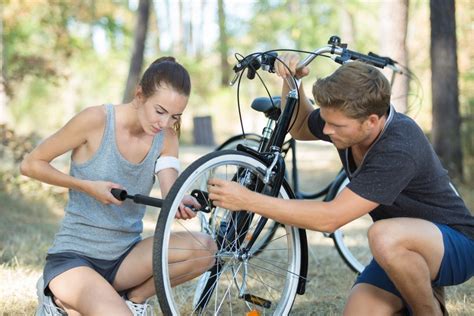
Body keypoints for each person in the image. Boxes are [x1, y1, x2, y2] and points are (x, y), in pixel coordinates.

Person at [207, 53, 474, 315]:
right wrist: (292, 81)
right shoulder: (346, 121)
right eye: (326, 121)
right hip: (399, 248)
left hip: (454, 244)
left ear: (371, 121)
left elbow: (330, 218)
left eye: (336, 126)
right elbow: (300, 128)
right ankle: (414, 289)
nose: (326, 131)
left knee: (382, 235)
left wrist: (248, 200)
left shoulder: (399, 145)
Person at [21, 57, 217, 316]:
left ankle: (134, 299)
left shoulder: (166, 136)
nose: (165, 123)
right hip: (74, 259)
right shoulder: (96, 120)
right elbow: (31, 164)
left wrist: (179, 202)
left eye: (175, 116)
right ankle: (56, 301)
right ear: (139, 94)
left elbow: (171, 190)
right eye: (160, 111)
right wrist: (87, 186)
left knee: (206, 250)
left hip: (126, 259)